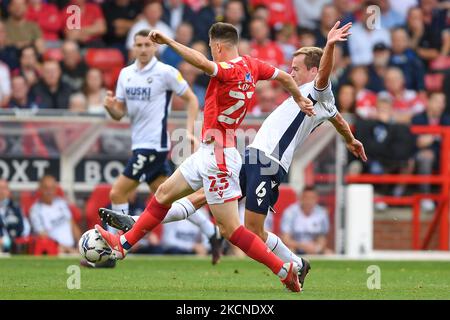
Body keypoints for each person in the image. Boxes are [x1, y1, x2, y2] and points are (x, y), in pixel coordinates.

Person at [96, 22, 314, 293]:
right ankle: (122, 244)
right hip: (208, 152)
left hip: (220, 158)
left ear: (219, 46)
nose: (211, 52)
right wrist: (299, 99)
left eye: (212, 48)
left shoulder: (228, 69)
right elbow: (283, 76)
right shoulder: (252, 65)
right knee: (163, 193)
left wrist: (170, 43)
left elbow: (201, 63)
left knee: (231, 230)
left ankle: (284, 270)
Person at [100, 29, 221, 264]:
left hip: (154, 146)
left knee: (118, 192)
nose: (143, 49)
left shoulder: (165, 72)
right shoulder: (125, 75)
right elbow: (119, 113)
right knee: (167, 199)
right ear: (133, 47)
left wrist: (188, 129)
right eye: (139, 45)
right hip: (139, 144)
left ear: (154, 47)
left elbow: (192, 99)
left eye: (147, 45)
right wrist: (109, 107)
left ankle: (116, 249)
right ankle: (211, 232)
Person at [29, 175, 81, 254]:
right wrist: (65, 248)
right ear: (40, 189)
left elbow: (72, 224)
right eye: (46, 188)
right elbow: (42, 235)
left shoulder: (61, 203)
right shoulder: (35, 210)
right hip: (54, 250)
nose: (49, 191)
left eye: (52, 188)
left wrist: (80, 245)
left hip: (72, 249)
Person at [281, 186, 333, 255]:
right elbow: (285, 239)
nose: (309, 201)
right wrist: (302, 246)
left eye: (312, 198)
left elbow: (322, 238)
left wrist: (317, 248)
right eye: (306, 198)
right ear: (300, 198)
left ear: (316, 199)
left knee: (329, 254)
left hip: (314, 248)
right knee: (289, 252)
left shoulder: (321, 213)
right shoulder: (290, 212)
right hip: (294, 248)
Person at [0, 179, 29, 253]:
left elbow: (24, 228)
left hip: (12, 245)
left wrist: (10, 240)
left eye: (4, 188)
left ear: (8, 191)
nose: (1, 191)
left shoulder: (16, 208)